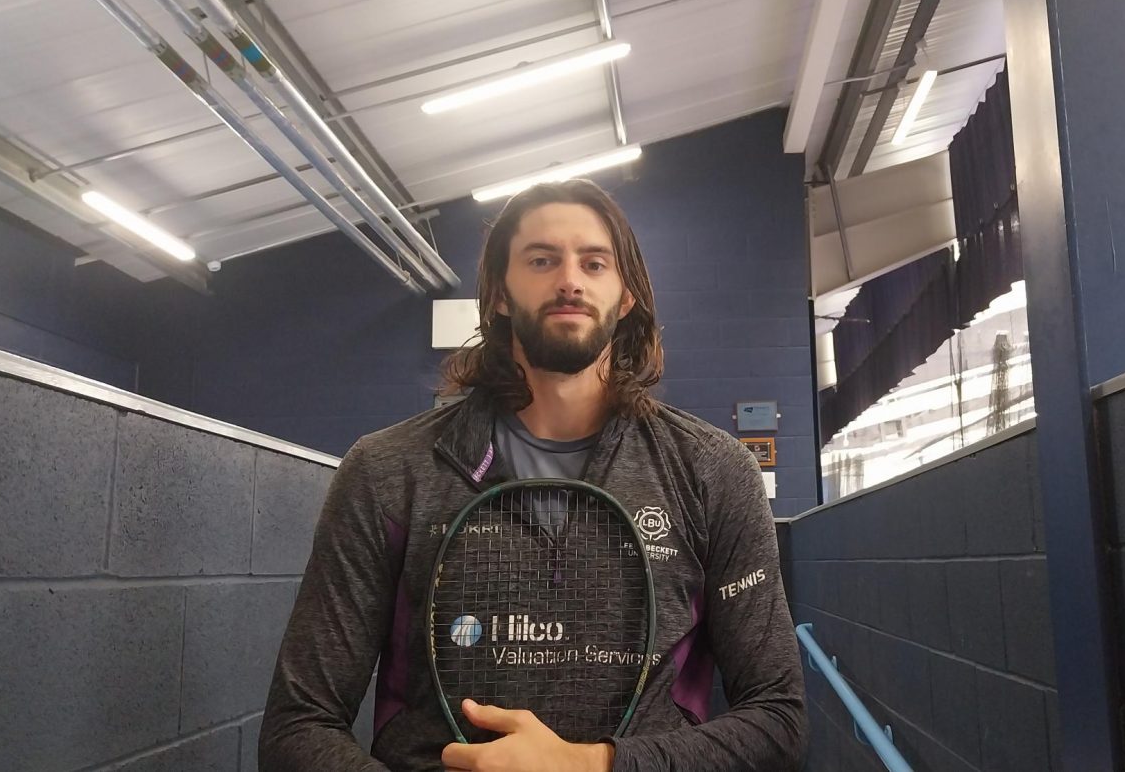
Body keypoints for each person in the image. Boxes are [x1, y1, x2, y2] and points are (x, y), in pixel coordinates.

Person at [258, 179, 807, 771]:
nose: (569, 280)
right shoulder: (386, 471)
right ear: (499, 293)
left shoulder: (713, 471)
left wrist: (590, 765)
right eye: (542, 260)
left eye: (594, 263)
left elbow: (778, 720)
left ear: (626, 296)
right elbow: (297, 728)